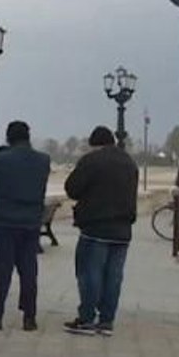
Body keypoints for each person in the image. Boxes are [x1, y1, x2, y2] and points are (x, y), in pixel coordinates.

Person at [0, 120, 51, 331]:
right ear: (28, 136)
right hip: (31, 224)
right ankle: (29, 317)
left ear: (8, 137)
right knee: (29, 271)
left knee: (2, 272)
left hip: (4, 224)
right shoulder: (43, 160)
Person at [63, 126, 139, 336]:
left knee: (90, 273)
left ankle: (87, 319)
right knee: (114, 276)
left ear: (94, 144)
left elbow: (72, 189)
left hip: (96, 227)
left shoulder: (92, 161)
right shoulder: (129, 162)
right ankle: (106, 321)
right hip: (123, 229)